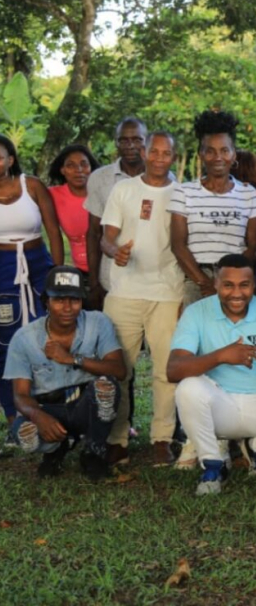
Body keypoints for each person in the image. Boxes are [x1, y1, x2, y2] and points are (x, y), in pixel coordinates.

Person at [167, 254, 256, 495]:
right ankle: (213, 465)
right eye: (228, 285)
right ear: (216, 283)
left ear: (253, 284)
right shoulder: (196, 312)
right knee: (188, 388)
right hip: (219, 402)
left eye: (244, 285)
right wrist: (221, 356)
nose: (237, 293)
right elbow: (173, 370)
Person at [99, 132, 184, 467]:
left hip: (167, 293)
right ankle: (117, 439)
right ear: (144, 152)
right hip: (124, 293)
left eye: (167, 153)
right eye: (154, 151)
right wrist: (115, 252)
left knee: (166, 370)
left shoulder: (182, 194)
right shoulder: (124, 189)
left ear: (174, 158)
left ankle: (162, 439)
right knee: (119, 369)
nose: (159, 158)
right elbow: (106, 238)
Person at [5, 266, 125, 479]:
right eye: (59, 300)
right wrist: (37, 415)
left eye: (75, 300)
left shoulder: (98, 322)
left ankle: (94, 452)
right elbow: (20, 395)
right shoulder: (24, 338)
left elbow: (119, 369)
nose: (68, 307)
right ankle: (54, 452)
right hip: (48, 408)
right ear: (46, 302)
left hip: (84, 405)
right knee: (25, 434)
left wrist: (73, 359)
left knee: (107, 387)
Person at [0, 134, 63, 426]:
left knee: (45, 334)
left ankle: (53, 407)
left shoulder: (32, 185)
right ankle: (15, 417)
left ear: (10, 159)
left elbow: (53, 230)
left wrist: (59, 273)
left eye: (0, 156)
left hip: (38, 265)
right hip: (3, 268)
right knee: (5, 341)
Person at [169, 110, 256, 307]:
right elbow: (178, 245)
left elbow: (253, 246)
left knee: (235, 337)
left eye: (224, 150)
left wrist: (227, 281)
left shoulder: (249, 194)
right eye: (210, 151)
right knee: (198, 337)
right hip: (196, 280)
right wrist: (205, 282)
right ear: (200, 155)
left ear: (233, 154)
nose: (217, 157)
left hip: (237, 280)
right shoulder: (184, 192)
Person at [85, 117, 147, 310]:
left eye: (137, 140)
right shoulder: (100, 178)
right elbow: (94, 233)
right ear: (116, 143)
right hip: (112, 277)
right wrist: (94, 283)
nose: (130, 145)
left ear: (146, 142)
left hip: (151, 278)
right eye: (124, 140)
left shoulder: (163, 177)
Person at [47, 144, 100, 273]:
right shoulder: (52, 195)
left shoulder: (104, 192)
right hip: (80, 270)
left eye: (84, 164)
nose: (79, 170)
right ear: (62, 170)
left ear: (91, 168)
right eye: (71, 165)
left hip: (111, 267)